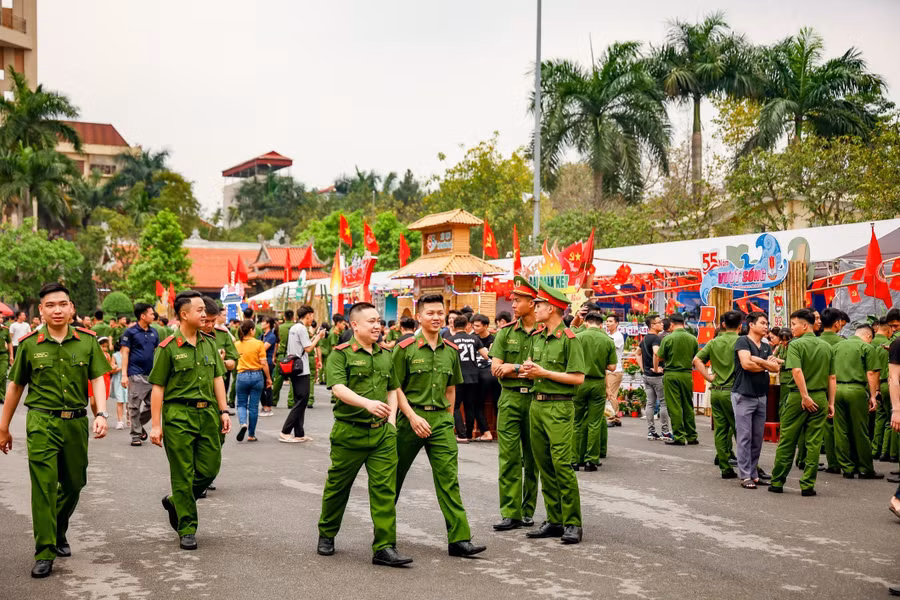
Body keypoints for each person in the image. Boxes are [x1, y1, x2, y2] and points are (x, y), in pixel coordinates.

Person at [0, 282, 110, 578]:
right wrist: (3, 427)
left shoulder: (87, 342)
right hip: (41, 422)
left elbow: (98, 377)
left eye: (62, 304)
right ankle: (45, 550)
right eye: (50, 305)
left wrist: (101, 412)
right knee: (44, 487)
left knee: (74, 483)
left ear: (72, 308)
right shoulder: (29, 345)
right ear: (41, 311)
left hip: (75, 422)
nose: (57, 310)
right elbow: (15, 387)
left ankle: (59, 528)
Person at [317, 302, 413, 567]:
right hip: (350, 433)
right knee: (338, 487)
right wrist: (367, 403)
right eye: (371, 321)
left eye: (379, 321)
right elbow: (337, 388)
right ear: (354, 325)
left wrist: (392, 421)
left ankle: (384, 547)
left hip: (382, 435)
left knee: (384, 490)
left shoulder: (385, 354)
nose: (377, 326)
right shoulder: (341, 354)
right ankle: (327, 532)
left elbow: (393, 388)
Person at [393, 294, 486, 558]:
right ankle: (385, 539)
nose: (436, 317)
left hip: (441, 423)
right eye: (430, 313)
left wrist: (448, 418)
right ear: (419, 316)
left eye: (440, 313)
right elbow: (395, 387)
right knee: (392, 480)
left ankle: (459, 539)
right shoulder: (405, 348)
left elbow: (450, 389)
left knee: (449, 480)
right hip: (409, 420)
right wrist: (412, 417)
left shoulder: (451, 350)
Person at [149, 290, 230, 551]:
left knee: (209, 468)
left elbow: (218, 378)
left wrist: (224, 410)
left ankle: (175, 501)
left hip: (207, 414)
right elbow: (158, 388)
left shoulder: (208, 343)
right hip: (178, 415)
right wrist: (156, 425)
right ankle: (187, 527)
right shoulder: (168, 348)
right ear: (184, 315)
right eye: (199, 310)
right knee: (182, 472)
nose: (204, 314)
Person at [521, 283, 585, 544]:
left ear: (552, 308)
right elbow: (533, 368)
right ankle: (554, 519)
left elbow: (578, 378)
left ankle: (573, 522)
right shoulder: (537, 337)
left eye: (538, 305)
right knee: (543, 464)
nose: (534, 309)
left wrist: (544, 373)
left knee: (561, 464)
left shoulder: (569, 339)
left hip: (559, 405)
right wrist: (528, 370)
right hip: (536, 403)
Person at [489, 276, 541, 531]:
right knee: (508, 457)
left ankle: (528, 510)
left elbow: (547, 370)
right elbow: (496, 368)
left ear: (532, 303)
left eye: (518, 300)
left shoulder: (545, 333)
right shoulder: (505, 332)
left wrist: (516, 367)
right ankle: (511, 512)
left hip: (536, 399)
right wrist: (522, 369)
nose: (513, 304)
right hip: (509, 399)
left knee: (533, 458)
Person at [769, 308, 836, 497]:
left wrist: (805, 396)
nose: (792, 328)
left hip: (799, 397)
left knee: (788, 440)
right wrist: (831, 403)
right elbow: (832, 377)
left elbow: (796, 372)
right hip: (821, 397)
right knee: (814, 442)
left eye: (794, 324)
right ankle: (807, 485)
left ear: (805, 325)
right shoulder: (826, 347)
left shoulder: (796, 345)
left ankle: (777, 482)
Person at [731, 312, 781, 488]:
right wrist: (765, 364)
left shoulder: (766, 346)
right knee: (744, 436)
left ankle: (753, 472)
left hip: (761, 395)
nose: (766, 326)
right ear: (751, 325)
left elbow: (775, 368)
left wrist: (759, 360)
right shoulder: (742, 341)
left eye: (766, 323)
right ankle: (745, 475)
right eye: (762, 323)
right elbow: (746, 364)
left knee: (757, 437)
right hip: (743, 395)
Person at [693, 310, 743, 478]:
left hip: (716, 391)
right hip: (735, 392)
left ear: (722, 325)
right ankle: (749, 467)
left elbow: (697, 360)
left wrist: (708, 377)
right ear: (741, 326)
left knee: (721, 430)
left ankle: (725, 467)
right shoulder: (742, 342)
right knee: (741, 431)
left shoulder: (714, 342)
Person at [832, 323, 882, 479]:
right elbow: (872, 374)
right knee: (860, 429)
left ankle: (847, 467)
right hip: (856, 390)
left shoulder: (837, 346)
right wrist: (873, 396)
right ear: (868, 336)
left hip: (837, 389)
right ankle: (865, 468)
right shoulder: (867, 348)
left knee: (840, 430)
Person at [572, 311, 616, 471]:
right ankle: (591, 460)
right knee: (594, 422)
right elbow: (612, 367)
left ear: (586, 322)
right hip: (597, 383)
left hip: (579, 382)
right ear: (601, 324)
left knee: (576, 422)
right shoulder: (607, 340)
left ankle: (575, 460)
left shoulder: (578, 337)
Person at [279, 305, 325, 443]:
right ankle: (285, 431)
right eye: (312, 315)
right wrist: (319, 336)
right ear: (308, 315)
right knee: (302, 400)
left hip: (294, 367)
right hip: (301, 369)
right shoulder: (302, 329)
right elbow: (309, 348)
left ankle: (299, 433)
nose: (313, 318)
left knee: (300, 399)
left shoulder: (294, 327)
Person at [120, 302, 160, 447]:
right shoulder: (130, 333)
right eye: (151, 313)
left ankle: (138, 425)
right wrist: (124, 375)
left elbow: (157, 352)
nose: (153, 315)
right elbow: (124, 353)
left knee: (152, 405)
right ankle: (136, 435)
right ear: (142, 316)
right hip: (135, 373)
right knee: (134, 406)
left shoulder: (154, 332)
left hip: (152, 375)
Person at [656, 313, 699, 446]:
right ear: (684, 323)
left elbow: (660, 356)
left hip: (672, 374)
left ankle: (679, 436)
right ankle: (692, 436)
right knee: (687, 404)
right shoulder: (693, 339)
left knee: (674, 405)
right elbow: (696, 357)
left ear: (672, 324)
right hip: (687, 374)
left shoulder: (668, 339)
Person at [448, 315, 490, 442]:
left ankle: (461, 434)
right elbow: (487, 356)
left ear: (454, 326)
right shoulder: (474, 339)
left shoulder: (450, 340)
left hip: (458, 377)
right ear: (467, 326)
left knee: (455, 406)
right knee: (469, 405)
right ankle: (469, 434)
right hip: (474, 376)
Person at [819, 307, 848, 473]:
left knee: (827, 428)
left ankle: (833, 463)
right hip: (840, 386)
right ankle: (847, 462)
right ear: (837, 323)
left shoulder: (817, 341)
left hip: (819, 389)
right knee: (843, 427)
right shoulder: (844, 343)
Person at [233, 319, 272, 442]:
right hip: (257, 376)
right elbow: (264, 363)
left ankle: (243, 423)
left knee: (241, 404)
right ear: (251, 330)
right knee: (253, 407)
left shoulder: (237, 344)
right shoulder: (259, 343)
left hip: (242, 376)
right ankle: (251, 434)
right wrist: (269, 378)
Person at [637, 314, 671, 440]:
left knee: (650, 404)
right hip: (657, 377)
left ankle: (651, 431)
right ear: (652, 325)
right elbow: (657, 354)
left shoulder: (645, 338)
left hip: (646, 376)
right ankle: (665, 431)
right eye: (659, 322)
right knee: (663, 403)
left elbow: (637, 353)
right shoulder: (657, 339)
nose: (662, 324)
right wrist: (656, 368)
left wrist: (643, 368)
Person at [472, 313, 499, 441]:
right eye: (473, 325)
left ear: (486, 326)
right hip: (479, 374)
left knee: (497, 403)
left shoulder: (494, 340)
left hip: (492, 374)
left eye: (478, 325)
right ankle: (486, 432)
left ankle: (499, 432)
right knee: (478, 404)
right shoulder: (471, 338)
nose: (475, 328)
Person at [271, 309, 296, 408]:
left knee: (278, 379)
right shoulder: (296, 327)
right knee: (293, 380)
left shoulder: (279, 328)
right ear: (293, 317)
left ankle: (274, 399)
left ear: (284, 317)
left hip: (281, 356)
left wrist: (274, 356)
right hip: (293, 356)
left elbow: (276, 343)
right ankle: (291, 401)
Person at [604, 314, 625, 426]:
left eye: (611, 321)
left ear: (617, 323)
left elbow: (606, 348)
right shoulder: (608, 335)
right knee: (612, 394)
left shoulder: (617, 336)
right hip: (610, 370)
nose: (608, 323)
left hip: (615, 370)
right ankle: (616, 417)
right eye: (607, 321)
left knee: (610, 394)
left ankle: (612, 417)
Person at [260, 317, 278, 416]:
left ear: (268, 324)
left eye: (263, 322)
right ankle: (264, 406)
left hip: (268, 363)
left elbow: (262, 348)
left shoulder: (271, 336)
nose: (261, 323)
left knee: (268, 385)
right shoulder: (262, 335)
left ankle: (268, 407)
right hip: (261, 363)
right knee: (261, 386)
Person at [109, 339, 127, 429]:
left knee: (130, 401)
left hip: (129, 379)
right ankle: (120, 421)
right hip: (118, 380)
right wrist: (120, 368)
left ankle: (130, 419)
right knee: (120, 401)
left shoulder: (130, 354)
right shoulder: (115, 355)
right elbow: (111, 370)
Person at [0, 317, 11, 404]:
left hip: (3, 355)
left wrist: (11, 356)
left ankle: (2, 396)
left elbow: (9, 343)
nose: (1, 319)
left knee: (3, 375)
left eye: (1, 318)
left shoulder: (5, 330)